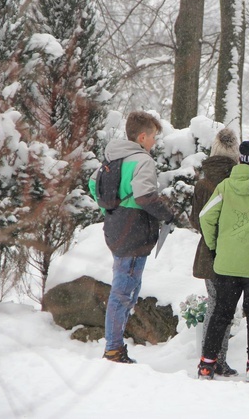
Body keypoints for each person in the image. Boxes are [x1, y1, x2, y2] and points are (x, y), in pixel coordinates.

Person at [89, 111, 175, 364]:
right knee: (124, 290)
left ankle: (115, 346)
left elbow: (93, 184)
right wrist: (168, 214)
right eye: (153, 137)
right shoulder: (142, 160)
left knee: (126, 286)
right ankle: (113, 349)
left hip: (115, 226)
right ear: (141, 137)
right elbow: (145, 196)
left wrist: (109, 207)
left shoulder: (111, 157)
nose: (154, 143)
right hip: (135, 229)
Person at [197, 139, 249, 381]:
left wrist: (214, 246)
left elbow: (205, 216)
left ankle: (207, 364)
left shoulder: (225, 187)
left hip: (227, 263)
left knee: (222, 313)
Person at [188, 127, 240, 377]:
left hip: (209, 252)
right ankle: (219, 359)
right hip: (233, 251)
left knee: (214, 305)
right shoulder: (235, 183)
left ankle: (207, 358)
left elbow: (196, 221)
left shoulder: (203, 184)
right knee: (226, 308)